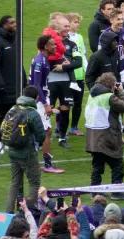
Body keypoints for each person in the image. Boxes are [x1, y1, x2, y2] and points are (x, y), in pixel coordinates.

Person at [84, 73, 124, 200]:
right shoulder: (109, 97)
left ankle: (95, 191)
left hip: (92, 137)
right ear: (111, 84)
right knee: (117, 164)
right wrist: (120, 93)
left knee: (97, 166)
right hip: (107, 136)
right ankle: (116, 191)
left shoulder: (92, 95)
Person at [5, 86, 46, 213]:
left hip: (12, 151)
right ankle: (27, 211)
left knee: (15, 182)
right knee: (34, 183)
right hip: (27, 153)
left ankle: (9, 212)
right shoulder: (33, 113)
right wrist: (38, 144)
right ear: (36, 98)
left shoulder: (13, 108)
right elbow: (41, 135)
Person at [28, 35, 65, 174]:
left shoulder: (43, 59)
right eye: (52, 44)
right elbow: (36, 84)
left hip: (41, 98)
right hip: (39, 100)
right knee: (46, 132)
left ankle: (35, 161)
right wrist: (45, 104)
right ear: (45, 46)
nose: (55, 46)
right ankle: (47, 164)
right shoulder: (39, 61)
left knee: (43, 131)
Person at [0, 15, 27, 156]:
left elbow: (18, 63)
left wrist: (24, 80)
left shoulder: (15, 40)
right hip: (5, 88)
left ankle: (10, 140)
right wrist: (1, 85)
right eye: (12, 23)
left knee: (15, 116)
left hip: (17, 86)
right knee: (2, 116)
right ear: (4, 24)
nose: (15, 24)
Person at [47, 15, 82, 149]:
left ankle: (62, 137)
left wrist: (64, 66)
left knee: (65, 108)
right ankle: (41, 138)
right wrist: (61, 62)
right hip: (50, 81)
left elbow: (78, 62)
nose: (68, 28)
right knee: (47, 109)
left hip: (66, 81)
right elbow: (43, 60)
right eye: (65, 26)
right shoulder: (48, 42)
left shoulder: (72, 44)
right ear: (56, 27)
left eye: (68, 26)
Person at [67, 13, 88, 136]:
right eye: (75, 22)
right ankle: (60, 128)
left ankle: (74, 127)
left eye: (78, 22)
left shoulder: (79, 37)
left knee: (78, 103)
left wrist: (87, 70)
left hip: (79, 75)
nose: (77, 24)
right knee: (66, 103)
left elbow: (83, 55)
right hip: (68, 76)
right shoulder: (63, 39)